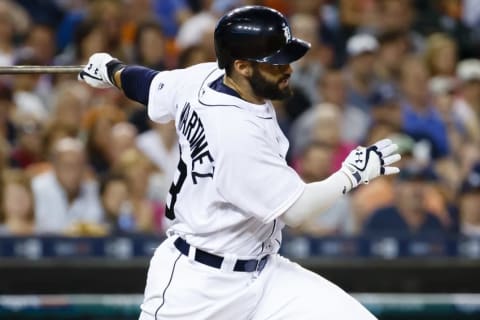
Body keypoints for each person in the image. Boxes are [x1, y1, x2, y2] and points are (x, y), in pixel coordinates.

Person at [79, 6, 400, 320]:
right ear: (243, 67)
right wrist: (351, 174)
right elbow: (296, 210)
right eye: (275, 62)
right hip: (197, 288)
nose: (288, 68)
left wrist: (110, 70)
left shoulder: (203, 77)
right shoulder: (234, 134)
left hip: (264, 275)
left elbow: (148, 83)